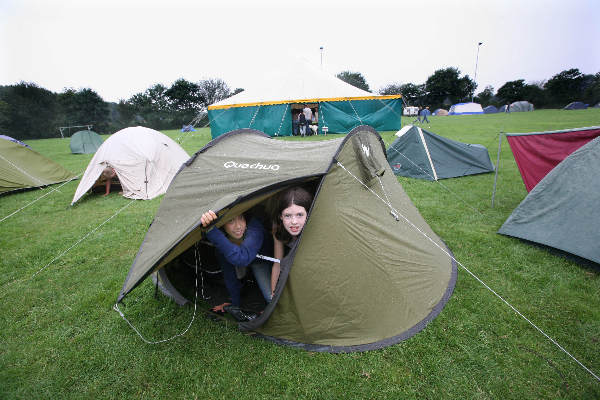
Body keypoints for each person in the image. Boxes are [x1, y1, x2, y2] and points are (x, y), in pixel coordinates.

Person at [200, 210, 272, 321]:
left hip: (262, 260)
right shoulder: (223, 241)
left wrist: (210, 230)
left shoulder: (254, 227)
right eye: (230, 221)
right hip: (244, 260)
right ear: (222, 224)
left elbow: (242, 258)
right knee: (231, 260)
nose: (238, 226)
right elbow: (229, 276)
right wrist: (235, 305)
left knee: (271, 299)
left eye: (241, 218)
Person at [270, 187, 313, 296]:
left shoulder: (313, 229)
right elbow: (277, 263)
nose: (294, 222)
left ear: (308, 214)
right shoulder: (278, 230)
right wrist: (273, 292)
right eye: (288, 216)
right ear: (280, 216)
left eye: (299, 215)